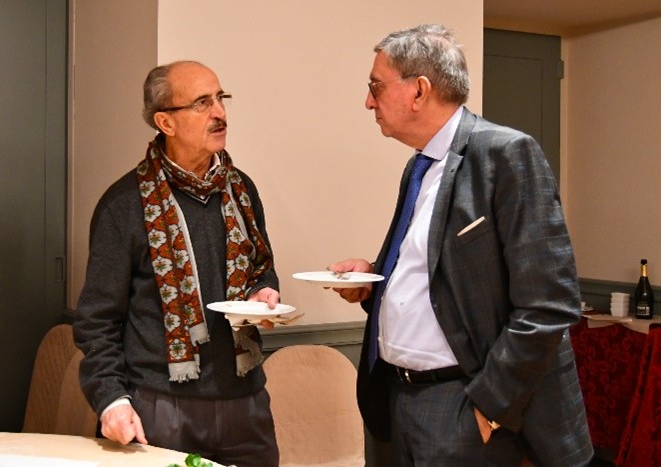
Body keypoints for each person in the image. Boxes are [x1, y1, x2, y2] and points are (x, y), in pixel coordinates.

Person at [329, 24, 593, 466]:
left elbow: (549, 303)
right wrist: (375, 280)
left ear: (419, 90)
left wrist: (489, 407)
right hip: (398, 398)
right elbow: (440, 275)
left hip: (463, 403)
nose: (369, 102)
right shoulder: (419, 167)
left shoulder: (505, 153)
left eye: (376, 86)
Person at [73, 60, 280, 467]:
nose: (219, 112)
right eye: (202, 103)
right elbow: (97, 319)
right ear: (165, 122)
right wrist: (111, 399)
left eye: (220, 98)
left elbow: (262, 267)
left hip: (245, 401)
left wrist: (264, 292)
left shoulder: (241, 190)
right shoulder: (124, 204)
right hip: (160, 407)